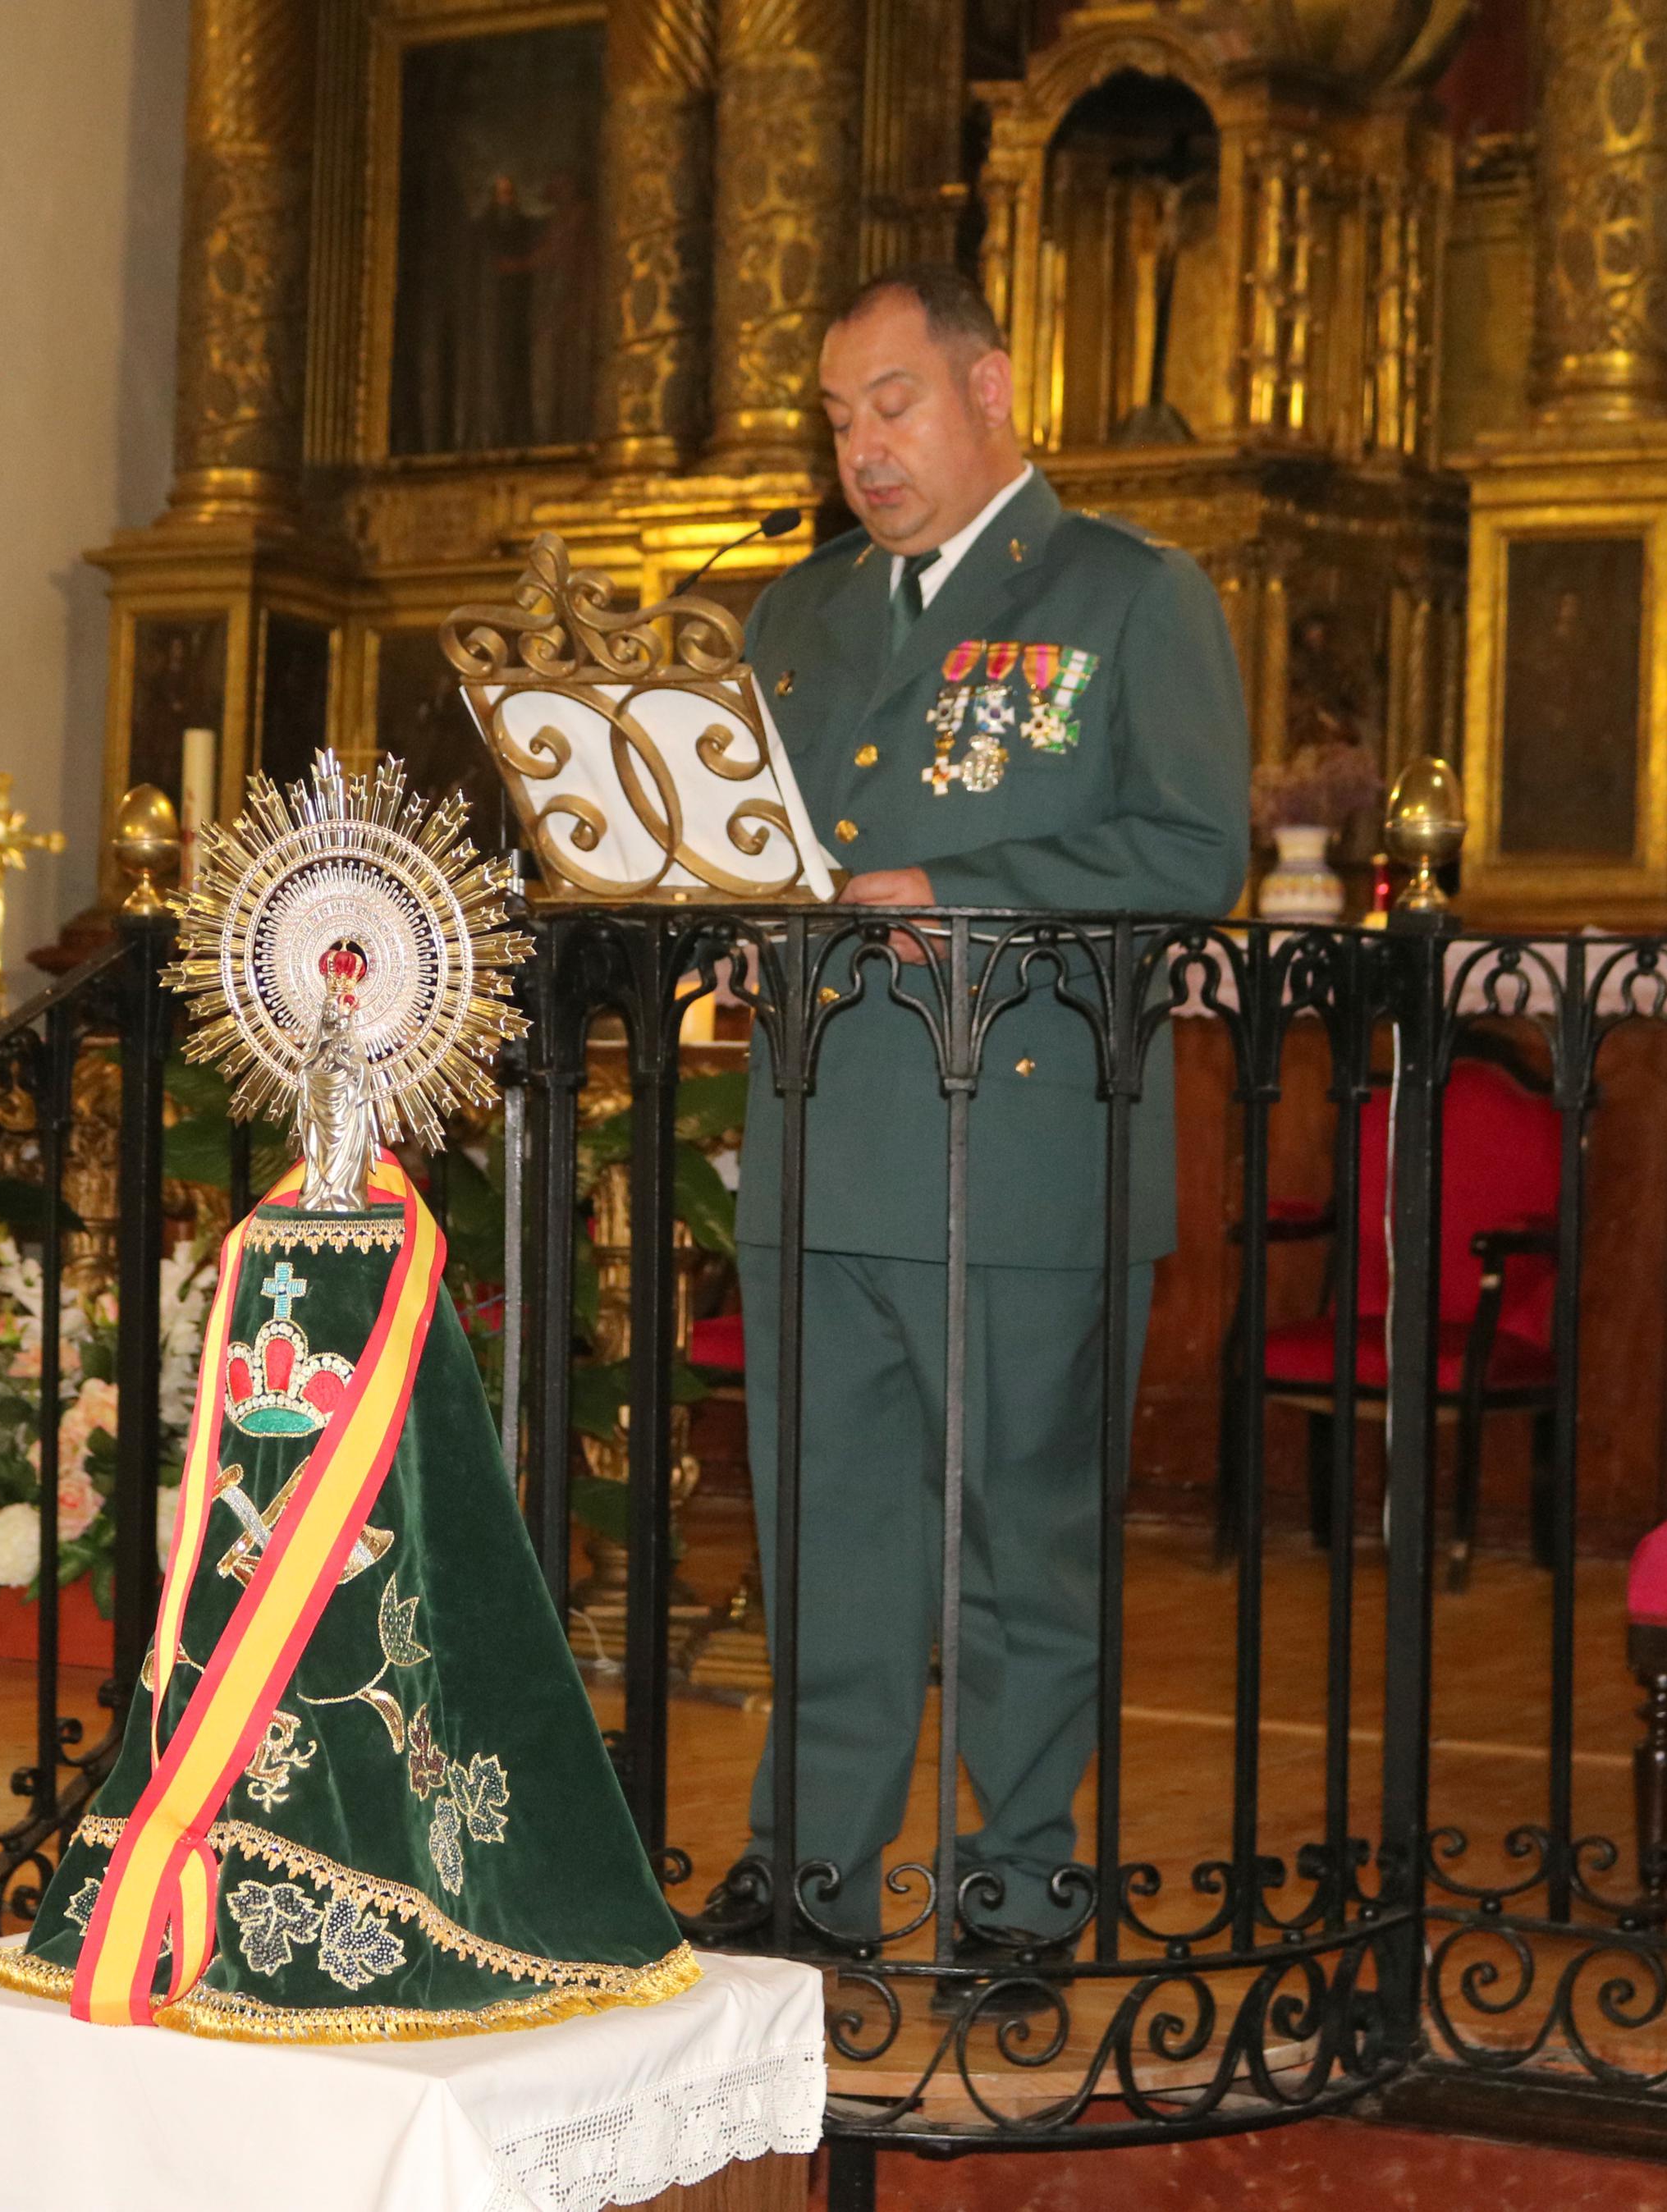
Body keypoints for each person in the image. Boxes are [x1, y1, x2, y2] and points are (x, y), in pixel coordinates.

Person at [721, 263, 1249, 1985]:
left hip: (1017, 1151)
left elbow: (1190, 852)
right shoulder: (793, 619)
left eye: (893, 403)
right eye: (838, 416)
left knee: (1023, 1550)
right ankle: (812, 1876)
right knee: (829, 1538)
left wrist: (961, 887)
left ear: (991, 388)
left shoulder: (1121, 596)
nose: (862, 446)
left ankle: (1017, 1890)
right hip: (816, 1134)